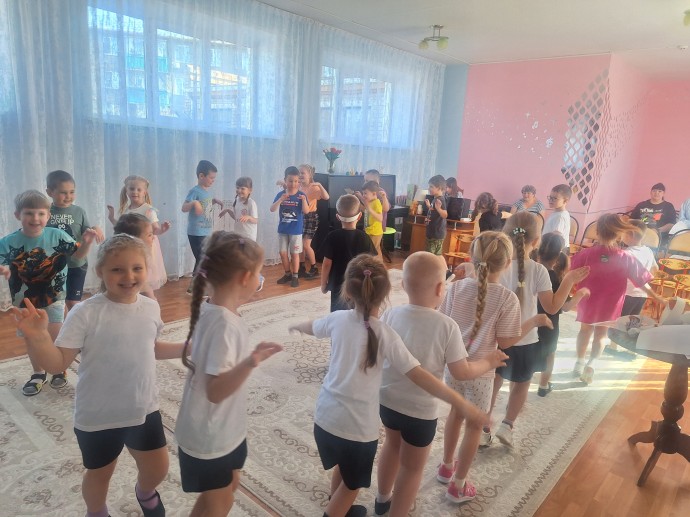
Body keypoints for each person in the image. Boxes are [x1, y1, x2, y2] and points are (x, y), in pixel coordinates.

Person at [289, 255, 488, 517]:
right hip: (363, 429)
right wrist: (461, 402)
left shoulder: (342, 319)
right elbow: (419, 375)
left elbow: (312, 327)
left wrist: (295, 325)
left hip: (327, 419)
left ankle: (359, 505)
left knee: (349, 465)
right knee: (361, 482)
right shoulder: (389, 333)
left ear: (347, 290)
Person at [11, 234, 185, 517]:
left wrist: (187, 347)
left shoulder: (150, 307)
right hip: (99, 416)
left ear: (147, 269)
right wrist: (39, 337)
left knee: (158, 467)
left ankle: (145, 492)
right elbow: (57, 363)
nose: (129, 276)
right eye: (117, 269)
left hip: (143, 408)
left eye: (137, 268)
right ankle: (96, 511)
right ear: (100, 272)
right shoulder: (85, 313)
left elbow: (150, 347)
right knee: (100, 474)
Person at [375, 251, 508, 515]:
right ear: (440, 289)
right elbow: (462, 372)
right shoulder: (447, 326)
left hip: (387, 402)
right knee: (412, 468)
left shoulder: (390, 315)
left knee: (391, 446)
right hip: (419, 412)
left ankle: (382, 500)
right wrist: (488, 362)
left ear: (403, 285)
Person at [176, 231, 282, 517]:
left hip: (223, 430)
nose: (260, 279)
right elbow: (215, 391)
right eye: (259, 273)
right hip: (209, 436)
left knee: (229, 487)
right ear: (245, 278)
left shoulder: (212, 309)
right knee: (220, 504)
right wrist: (250, 362)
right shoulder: (225, 325)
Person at [438, 232, 541, 502]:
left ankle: (446, 467)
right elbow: (506, 341)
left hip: (454, 368)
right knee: (474, 427)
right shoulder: (507, 298)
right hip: (482, 376)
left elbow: (442, 324)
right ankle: (458, 485)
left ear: (471, 257)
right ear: (507, 264)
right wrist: (532, 322)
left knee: (455, 415)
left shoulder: (456, 288)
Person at [491, 212, 589, 446]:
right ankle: (507, 425)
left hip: (495, 339)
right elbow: (552, 307)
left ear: (506, 234)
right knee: (522, 383)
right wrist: (569, 281)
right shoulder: (538, 270)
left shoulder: (496, 266)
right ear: (536, 242)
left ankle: (484, 427)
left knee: (493, 382)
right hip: (525, 339)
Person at [1, 190, 97, 395]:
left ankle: (58, 369)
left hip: (54, 298)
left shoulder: (58, 236)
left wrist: (87, 242)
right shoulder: (8, 242)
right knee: (31, 338)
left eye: (40, 213)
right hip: (24, 303)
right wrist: (3, 269)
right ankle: (38, 373)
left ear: (48, 216)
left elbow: (77, 257)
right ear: (17, 215)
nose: (35, 218)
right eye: (29, 213)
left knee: (56, 336)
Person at [571, 214, 664, 384]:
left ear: (597, 232)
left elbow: (569, 275)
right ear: (619, 233)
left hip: (588, 299)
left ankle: (579, 362)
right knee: (601, 335)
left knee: (585, 331)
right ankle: (591, 364)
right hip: (611, 303)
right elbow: (642, 283)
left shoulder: (585, 253)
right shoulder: (626, 257)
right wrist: (658, 297)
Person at [534, 233, 590, 396]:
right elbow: (565, 307)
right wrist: (580, 293)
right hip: (548, 325)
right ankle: (543, 386)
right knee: (549, 354)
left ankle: (522, 379)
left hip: (529, 321)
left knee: (528, 350)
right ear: (559, 255)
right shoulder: (554, 278)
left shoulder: (530, 269)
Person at [45, 169, 105, 312]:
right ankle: (62, 324)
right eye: (63, 192)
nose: (68, 196)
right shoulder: (45, 211)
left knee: (73, 301)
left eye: (72, 192)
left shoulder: (79, 211)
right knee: (56, 302)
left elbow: (86, 231)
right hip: (53, 265)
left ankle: (77, 323)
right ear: (50, 192)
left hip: (76, 264)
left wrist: (96, 228)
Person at [603, 219, 659, 360]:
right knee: (634, 321)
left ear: (630, 236)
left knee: (620, 320)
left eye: (624, 233)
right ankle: (631, 350)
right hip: (642, 294)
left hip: (626, 293)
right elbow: (655, 269)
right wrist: (647, 278)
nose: (622, 236)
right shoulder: (648, 251)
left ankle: (613, 347)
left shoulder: (626, 253)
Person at [108, 175, 171, 292]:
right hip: (129, 246)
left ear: (144, 192)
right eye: (132, 189)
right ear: (126, 191)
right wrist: (111, 218)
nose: (135, 192)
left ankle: (149, 298)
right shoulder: (126, 209)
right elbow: (121, 228)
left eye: (139, 189)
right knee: (133, 272)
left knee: (143, 276)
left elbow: (155, 230)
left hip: (145, 246)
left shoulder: (148, 210)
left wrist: (162, 229)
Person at [319, 194, 376, 312]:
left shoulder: (332, 236)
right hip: (358, 283)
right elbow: (371, 263)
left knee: (337, 314)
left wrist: (323, 284)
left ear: (337, 217)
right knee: (357, 312)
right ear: (360, 216)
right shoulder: (364, 237)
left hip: (338, 284)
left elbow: (326, 264)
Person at [181, 160, 223, 290]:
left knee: (203, 258)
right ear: (201, 176)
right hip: (196, 232)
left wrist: (213, 201)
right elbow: (184, 208)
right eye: (211, 178)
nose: (213, 180)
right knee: (202, 258)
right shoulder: (195, 191)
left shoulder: (206, 192)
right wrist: (194, 203)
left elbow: (205, 205)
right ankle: (196, 286)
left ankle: (196, 285)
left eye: (214, 178)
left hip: (205, 231)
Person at [270, 166, 309, 288]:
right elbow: (272, 209)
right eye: (290, 181)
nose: (293, 184)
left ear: (299, 181)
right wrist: (280, 200)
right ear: (285, 180)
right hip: (283, 230)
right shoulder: (281, 194)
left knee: (294, 254)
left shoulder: (301, 195)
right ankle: (287, 274)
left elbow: (306, 211)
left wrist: (303, 201)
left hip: (296, 231)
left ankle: (295, 276)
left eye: (296, 181)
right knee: (282, 253)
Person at [113, 213, 157, 299]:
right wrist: (152, 299)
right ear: (135, 239)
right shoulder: (132, 258)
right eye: (149, 235)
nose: (153, 237)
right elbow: (143, 284)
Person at [298, 164, 329, 279]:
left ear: (310, 175)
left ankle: (314, 268)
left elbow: (326, 197)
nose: (300, 175)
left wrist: (319, 185)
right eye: (299, 173)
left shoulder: (314, 187)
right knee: (300, 244)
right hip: (300, 217)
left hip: (311, 217)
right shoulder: (299, 186)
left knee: (306, 245)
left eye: (303, 173)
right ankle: (301, 268)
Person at [424, 175, 448, 256]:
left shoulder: (440, 199)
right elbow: (434, 211)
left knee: (431, 257)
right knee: (431, 255)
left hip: (436, 234)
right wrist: (429, 206)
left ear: (439, 188)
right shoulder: (435, 198)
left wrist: (438, 209)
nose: (429, 188)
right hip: (432, 233)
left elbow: (445, 215)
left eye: (431, 187)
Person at [361, 180, 384, 259]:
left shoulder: (376, 203)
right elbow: (366, 210)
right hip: (370, 230)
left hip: (375, 232)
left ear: (374, 194)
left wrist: (369, 209)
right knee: (376, 251)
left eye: (365, 193)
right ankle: (379, 265)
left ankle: (373, 265)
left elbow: (380, 218)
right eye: (363, 193)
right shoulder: (370, 202)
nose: (363, 195)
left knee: (372, 252)